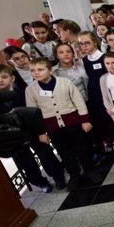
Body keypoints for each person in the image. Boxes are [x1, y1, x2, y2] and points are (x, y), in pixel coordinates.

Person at [0, 64, 66, 191]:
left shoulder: (22, 92)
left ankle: (59, 177)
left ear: (12, 79)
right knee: (26, 162)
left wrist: (41, 132)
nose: (0, 80)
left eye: (4, 77)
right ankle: (41, 182)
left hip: (32, 130)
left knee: (46, 154)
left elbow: (34, 112)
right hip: (11, 137)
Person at [25, 57, 98, 191]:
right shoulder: (30, 90)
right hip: (52, 127)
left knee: (82, 147)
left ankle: (89, 170)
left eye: (40, 69)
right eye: (32, 70)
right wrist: (41, 132)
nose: (36, 73)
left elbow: (79, 101)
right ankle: (74, 174)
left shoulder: (65, 82)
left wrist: (85, 120)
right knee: (64, 152)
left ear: (50, 70)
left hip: (73, 122)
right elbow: (33, 113)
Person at [78, 31, 114, 156]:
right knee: (99, 118)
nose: (84, 46)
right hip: (93, 93)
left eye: (87, 43)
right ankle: (108, 141)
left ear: (95, 42)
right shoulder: (83, 60)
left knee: (110, 116)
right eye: (81, 44)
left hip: (107, 92)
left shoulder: (104, 58)